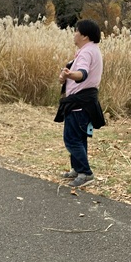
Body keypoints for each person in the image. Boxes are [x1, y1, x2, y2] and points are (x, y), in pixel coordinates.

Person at [54, 19, 105, 188]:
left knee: (71, 139)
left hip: (80, 103)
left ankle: (85, 173)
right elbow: (75, 73)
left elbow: (82, 74)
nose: (74, 34)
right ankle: (77, 169)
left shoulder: (86, 52)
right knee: (79, 137)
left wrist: (69, 75)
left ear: (84, 36)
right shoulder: (90, 50)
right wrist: (66, 75)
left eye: (76, 31)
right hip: (84, 102)